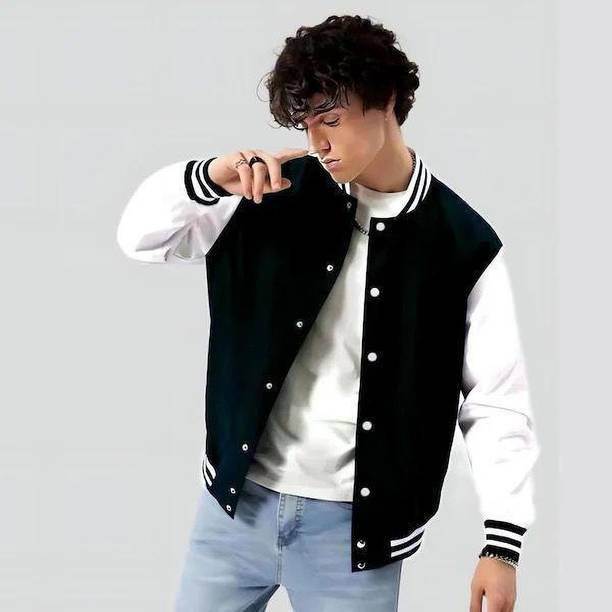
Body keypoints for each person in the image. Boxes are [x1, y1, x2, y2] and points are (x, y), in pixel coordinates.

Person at [116, 14, 540, 612]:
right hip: (233, 512)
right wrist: (210, 177)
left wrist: (502, 545)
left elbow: (496, 404)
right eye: (306, 123)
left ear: (386, 101)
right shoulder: (268, 191)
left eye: (332, 120)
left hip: (353, 540)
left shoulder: (462, 243)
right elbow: (138, 238)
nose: (317, 141)